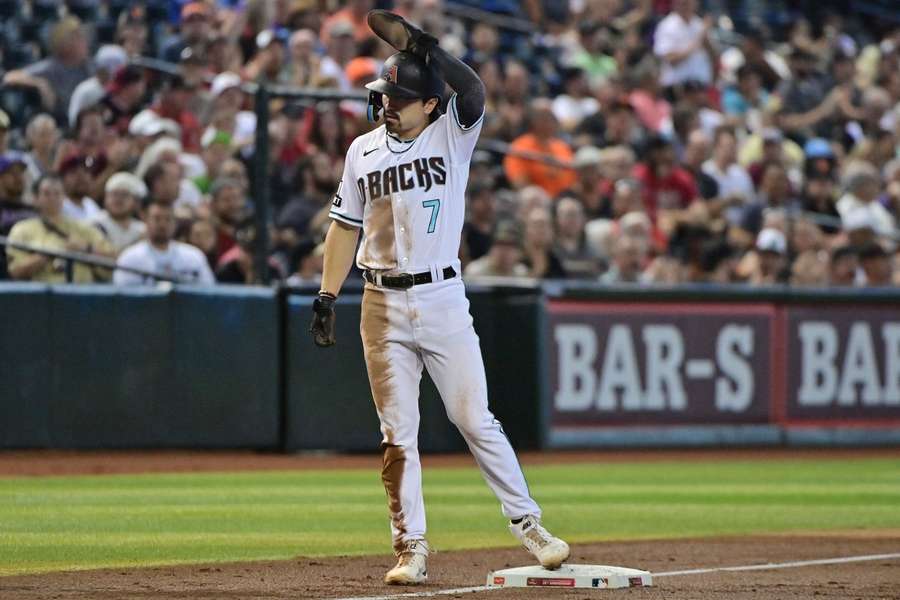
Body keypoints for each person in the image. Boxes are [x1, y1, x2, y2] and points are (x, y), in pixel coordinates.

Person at [310, 10, 569, 586]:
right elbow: (343, 226)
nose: (384, 105)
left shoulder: (451, 132)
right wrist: (328, 293)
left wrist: (431, 50)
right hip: (380, 303)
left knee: (472, 416)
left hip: (443, 296)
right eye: (382, 96)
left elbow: (473, 88)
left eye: (397, 97)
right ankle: (411, 548)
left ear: (429, 103)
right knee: (397, 432)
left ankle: (529, 525)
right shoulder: (362, 152)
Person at [6, 175, 112, 283]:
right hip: (40, 295)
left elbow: (114, 261)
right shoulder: (21, 229)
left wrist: (86, 248)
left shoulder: (84, 228)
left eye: (57, 193)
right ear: (35, 198)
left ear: (64, 197)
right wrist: (48, 254)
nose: (52, 198)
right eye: (46, 194)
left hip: (82, 294)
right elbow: (14, 272)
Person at [114, 201, 214, 285]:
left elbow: (208, 292)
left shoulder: (193, 256)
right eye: (157, 219)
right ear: (146, 221)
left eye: (168, 219)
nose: (162, 224)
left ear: (175, 223)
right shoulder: (130, 258)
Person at [90, 172, 147, 255]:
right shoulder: (95, 223)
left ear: (136, 203)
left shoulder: (143, 230)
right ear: (105, 197)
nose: (118, 199)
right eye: (114, 194)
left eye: (125, 195)